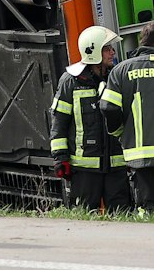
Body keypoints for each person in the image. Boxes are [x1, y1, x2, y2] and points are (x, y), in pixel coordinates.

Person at [98, 21, 154, 215]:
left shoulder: (120, 71)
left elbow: (108, 107)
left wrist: (120, 131)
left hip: (140, 157)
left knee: (149, 211)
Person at [49, 25, 128, 212]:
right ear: (94, 52)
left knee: (122, 218)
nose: (112, 52)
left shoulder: (116, 78)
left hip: (116, 166)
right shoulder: (70, 81)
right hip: (84, 170)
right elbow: (59, 122)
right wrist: (61, 158)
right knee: (84, 218)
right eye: (107, 49)